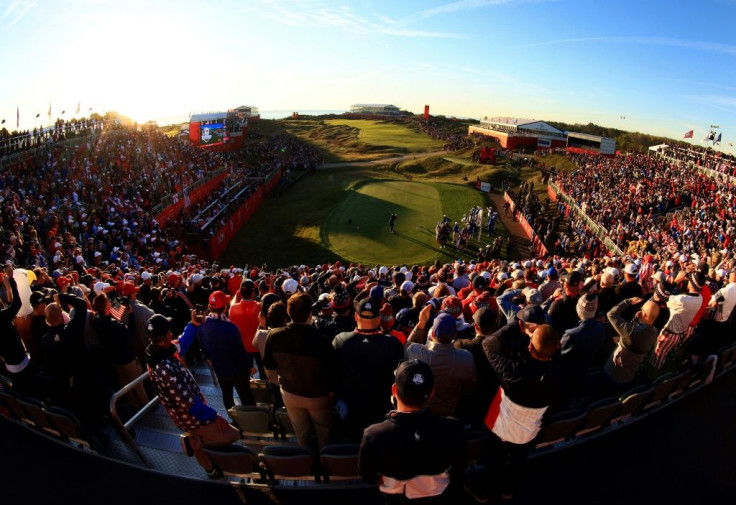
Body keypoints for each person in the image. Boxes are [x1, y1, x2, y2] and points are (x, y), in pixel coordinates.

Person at [477, 324, 566, 502]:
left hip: (500, 427)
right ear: (557, 347)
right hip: (528, 433)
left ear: (530, 346)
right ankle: (507, 490)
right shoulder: (560, 377)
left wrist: (519, 326)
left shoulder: (514, 372)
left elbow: (488, 343)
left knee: (493, 461)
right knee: (517, 463)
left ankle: (483, 493)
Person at [145, 314, 240, 478]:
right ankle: (193, 442)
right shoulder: (163, 369)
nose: (171, 333)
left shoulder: (160, 351)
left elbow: (182, 343)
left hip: (185, 414)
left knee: (197, 437)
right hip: (191, 416)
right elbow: (189, 404)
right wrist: (215, 416)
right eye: (168, 331)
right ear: (165, 335)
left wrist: (193, 325)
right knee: (233, 434)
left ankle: (210, 469)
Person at [359, 359, 467, 504]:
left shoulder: (374, 435)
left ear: (394, 390)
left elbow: (369, 476)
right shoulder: (453, 428)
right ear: (432, 393)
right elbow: (459, 467)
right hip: (439, 495)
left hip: (394, 498)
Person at [263, 292, 337, 450]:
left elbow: (269, 367)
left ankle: (307, 462)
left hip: (290, 394)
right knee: (323, 431)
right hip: (317, 397)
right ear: (310, 315)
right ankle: (325, 462)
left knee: (301, 432)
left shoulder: (274, 336)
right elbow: (332, 373)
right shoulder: (322, 341)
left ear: (288, 313)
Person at [333, 298, 404, 442]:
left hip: (348, 412)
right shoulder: (392, 343)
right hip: (380, 412)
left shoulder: (340, 340)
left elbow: (332, 376)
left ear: (356, 317)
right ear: (378, 320)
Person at [178, 290, 255, 410]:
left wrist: (209, 358)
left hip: (219, 368)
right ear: (225, 308)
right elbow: (240, 351)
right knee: (246, 397)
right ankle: (252, 420)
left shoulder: (201, 325)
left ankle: (233, 417)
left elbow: (202, 346)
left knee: (227, 395)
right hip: (238, 370)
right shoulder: (231, 328)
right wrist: (249, 366)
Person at [405, 308, 476, 420]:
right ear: (455, 335)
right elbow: (469, 388)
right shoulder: (466, 357)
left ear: (432, 333)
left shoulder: (418, 353)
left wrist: (421, 323)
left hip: (422, 415)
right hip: (450, 416)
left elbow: (407, 346)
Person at [603, 297, 659, 390]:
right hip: (629, 374)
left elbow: (611, 314)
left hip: (612, 372)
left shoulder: (630, 330)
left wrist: (627, 301)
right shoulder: (654, 332)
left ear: (643, 314)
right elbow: (637, 335)